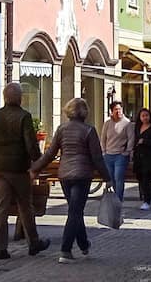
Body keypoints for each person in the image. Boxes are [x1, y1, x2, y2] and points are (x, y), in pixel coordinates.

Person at [32, 96, 109, 263]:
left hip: (65, 175)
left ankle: (83, 244)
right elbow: (97, 158)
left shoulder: (61, 129)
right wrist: (107, 177)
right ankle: (65, 250)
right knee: (75, 212)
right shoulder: (89, 130)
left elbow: (50, 154)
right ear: (84, 112)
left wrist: (35, 169)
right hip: (82, 175)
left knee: (75, 211)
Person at [0, 83, 50, 261]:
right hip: (19, 169)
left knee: (1, 207)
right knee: (25, 206)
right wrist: (36, 160)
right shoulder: (24, 116)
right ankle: (33, 243)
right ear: (19, 98)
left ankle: (1, 248)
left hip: (0, 169)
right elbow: (30, 144)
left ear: (5, 97)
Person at [100, 100, 134, 201]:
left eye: (119, 109)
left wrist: (127, 152)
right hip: (108, 155)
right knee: (111, 178)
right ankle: (114, 196)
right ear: (112, 111)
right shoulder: (107, 123)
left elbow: (131, 138)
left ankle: (119, 198)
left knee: (118, 176)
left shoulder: (127, 123)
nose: (118, 111)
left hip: (120, 155)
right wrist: (104, 151)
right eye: (115, 109)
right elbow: (103, 138)